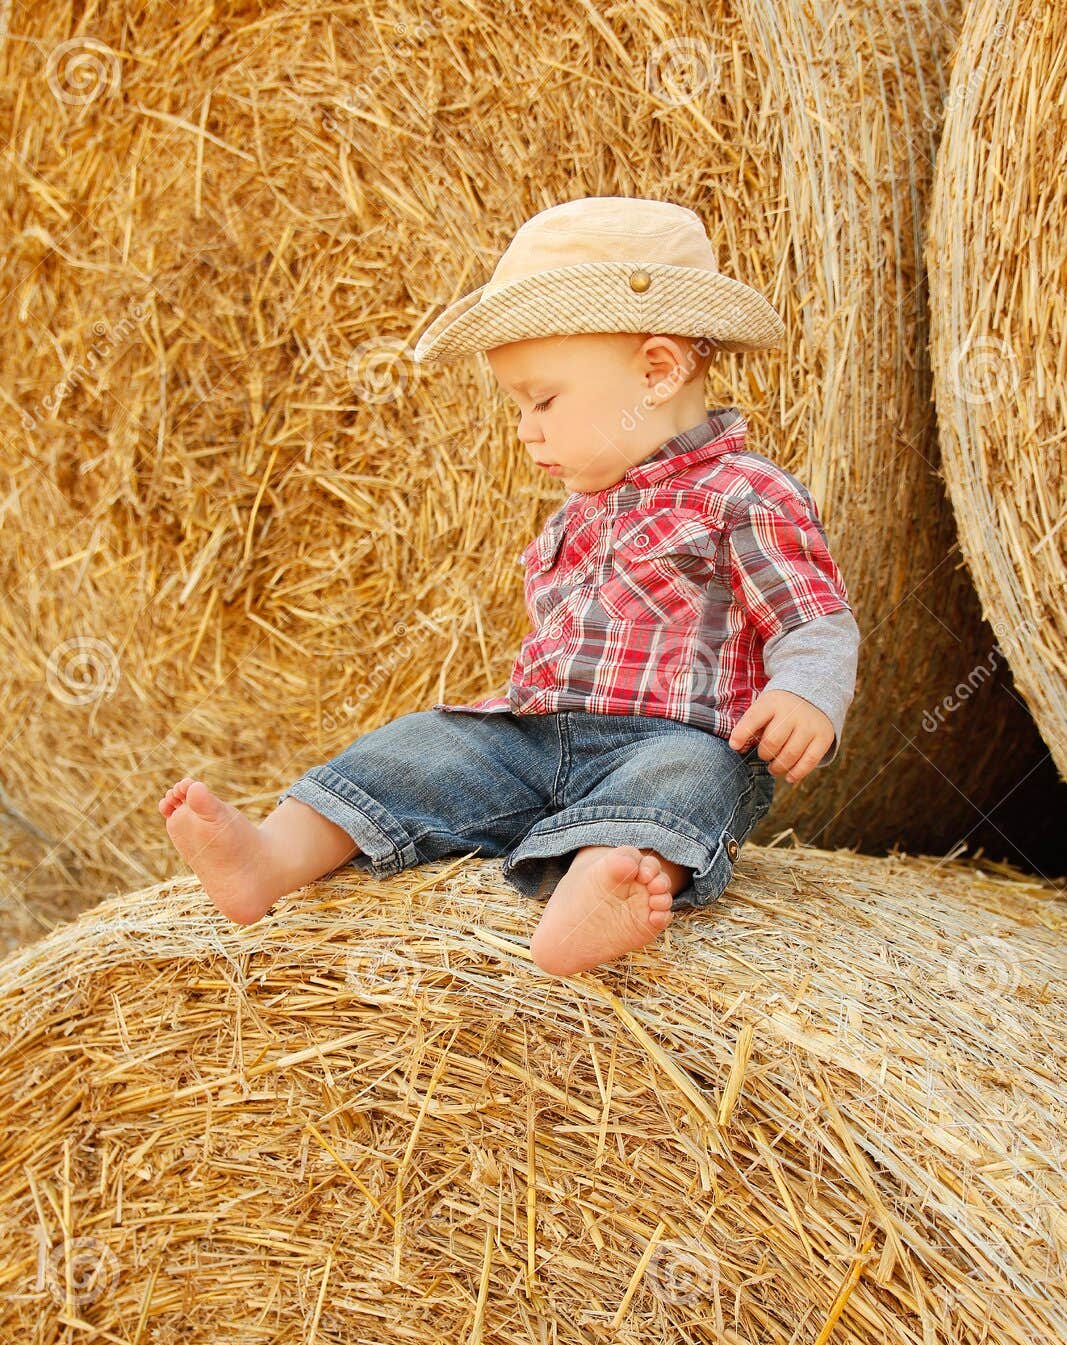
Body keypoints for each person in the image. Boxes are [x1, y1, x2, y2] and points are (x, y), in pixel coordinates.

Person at [160, 197, 859, 978]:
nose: (525, 428)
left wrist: (806, 693)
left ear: (657, 371)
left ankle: (607, 881)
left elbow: (815, 620)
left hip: (671, 735)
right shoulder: (582, 511)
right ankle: (271, 857)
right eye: (518, 406)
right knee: (420, 746)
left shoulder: (744, 493)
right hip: (529, 734)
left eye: (544, 400)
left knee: (689, 783)